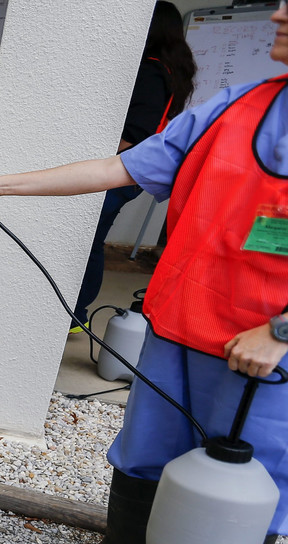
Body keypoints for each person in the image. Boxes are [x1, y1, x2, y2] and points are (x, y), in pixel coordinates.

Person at [0, 2, 288, 544]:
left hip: (261, 345)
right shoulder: (239, 105)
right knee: (146, 442)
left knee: (251, 469)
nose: (277, 12)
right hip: (182, 316)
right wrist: (3, 185)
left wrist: (281, 332)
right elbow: (120, 168)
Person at [70, 1, 196, 331]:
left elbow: (136, 130)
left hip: (120, 172)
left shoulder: (153, 69)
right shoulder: (172, 71)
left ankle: (76, 313)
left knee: (86, 244)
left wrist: (99, 163)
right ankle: (76, 312)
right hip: (133, 174)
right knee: (91, 242)